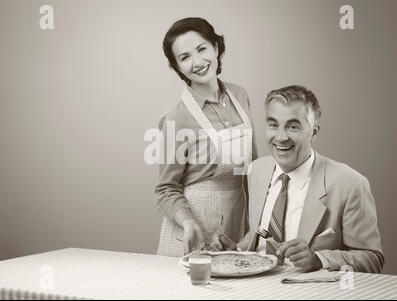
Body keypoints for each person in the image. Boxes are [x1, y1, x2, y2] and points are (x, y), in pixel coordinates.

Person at [209, 85, 384, 273]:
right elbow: (260, 237)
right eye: (273, 125)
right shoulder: (256, 171)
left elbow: (372, 259)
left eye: (293, 127)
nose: (281, 137)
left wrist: (319, 259)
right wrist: (236, 252)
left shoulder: (350, 184)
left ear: (314, 132)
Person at [155, 17, 257, 257]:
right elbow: (165, 190)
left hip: (235, 227)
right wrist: (189, 223)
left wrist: (257, 224)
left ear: (216, 47)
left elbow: (253, 168)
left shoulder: (240, 96)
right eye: (185, 57)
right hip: (190, 233)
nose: (197, 62)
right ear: (177, 67)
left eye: (202, 49)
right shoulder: (176, 118)